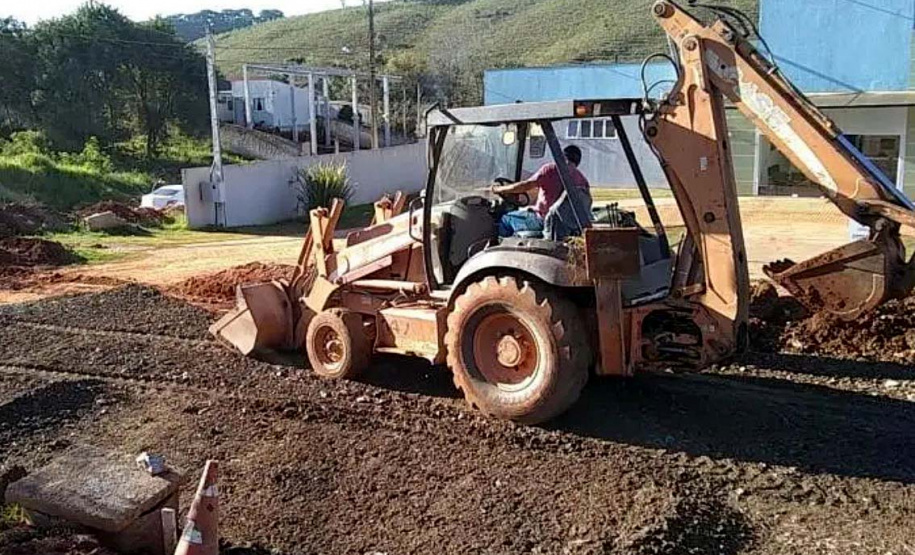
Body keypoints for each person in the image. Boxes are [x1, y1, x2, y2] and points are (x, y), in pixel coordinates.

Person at [492, 145, 591, 237]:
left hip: (541, 220)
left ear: (561, 156)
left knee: (506, 219)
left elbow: (526, 185)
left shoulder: (550, 170)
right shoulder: (583, 181)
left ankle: (501, 250)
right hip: (566, 227)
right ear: (578, 162)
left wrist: (499, 189)